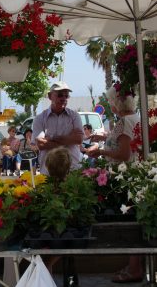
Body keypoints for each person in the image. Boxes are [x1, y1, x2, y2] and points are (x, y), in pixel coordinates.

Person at [88, 84, 142, 283]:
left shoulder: (125, 121)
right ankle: (133, 265)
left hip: (125, 178)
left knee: (130, 224)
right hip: (131, 177)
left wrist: (100, 151)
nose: (110, 104)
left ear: (117, 102)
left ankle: (135, 268)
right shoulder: (131, 118)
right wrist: (105, 138)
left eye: (110, 101)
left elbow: (124, 153)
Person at [32, 81, 83, 175]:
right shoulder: (40, 118)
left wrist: (50, 139)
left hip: (72, 170)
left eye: (66, 95)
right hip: (48, 171)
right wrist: (69, 139)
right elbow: (41, 144)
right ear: (50, 96)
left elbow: (79, 139)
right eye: (60, 95)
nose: (64, 98)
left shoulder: (75, 116)